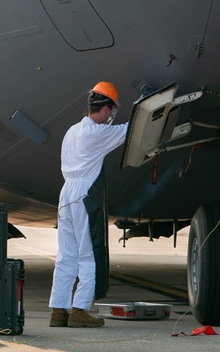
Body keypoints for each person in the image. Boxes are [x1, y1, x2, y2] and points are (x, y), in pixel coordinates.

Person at [48, 82, 129, 328]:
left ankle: (58, 311)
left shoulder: (71, 131)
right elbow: (131, 131)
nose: (111, 117)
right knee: (89, 254)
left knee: (66, 256)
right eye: (111, 111)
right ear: (106, 109)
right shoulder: (98, 133)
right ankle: (80, 309)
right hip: (84, 195)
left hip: (66, 196)